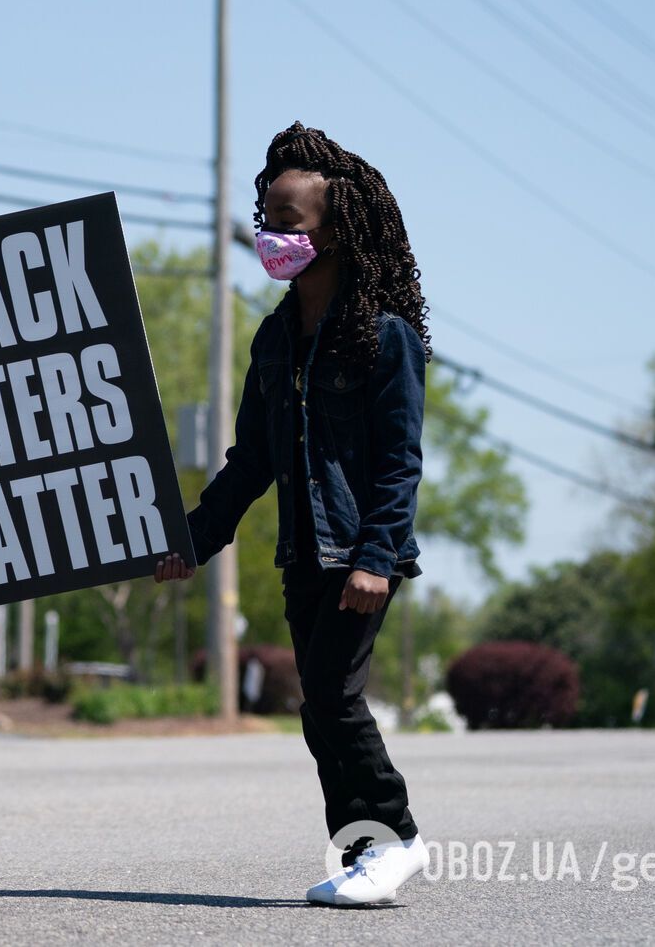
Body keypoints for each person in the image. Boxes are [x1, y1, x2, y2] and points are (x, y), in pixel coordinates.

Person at [154, 122, 431, 907]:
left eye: (289, 222)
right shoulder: (275, 339)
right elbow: (250, 461)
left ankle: (399, 836)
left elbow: (399, 461)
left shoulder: (385, 338)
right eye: (266, 217)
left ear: (336, 231)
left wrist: (378, 556)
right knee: (318, 707)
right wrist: (193, 539)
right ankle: (362, 850)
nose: (271, 234)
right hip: (303, 554)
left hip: (360, 555)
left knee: (336, 698)